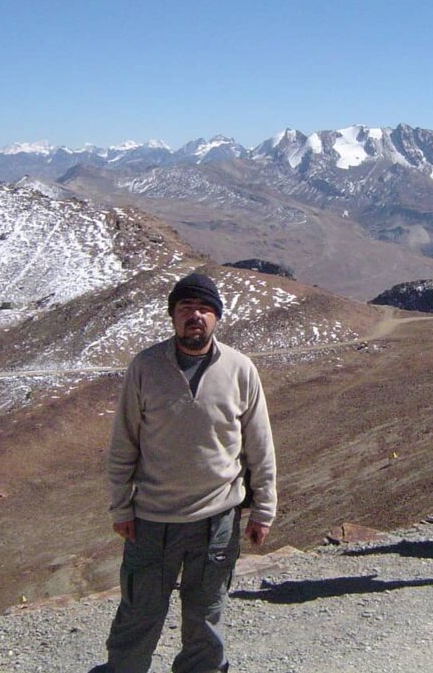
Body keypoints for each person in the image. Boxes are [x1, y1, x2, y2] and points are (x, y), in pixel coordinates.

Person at [90, 272, 277, 673]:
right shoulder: (145, 367)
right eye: (186, 308)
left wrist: (264, 508)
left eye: (205, 309)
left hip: (218, 518)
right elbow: (124, 442)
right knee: (139, 614)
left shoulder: (241, 369)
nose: (196, 315)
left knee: (206, 618)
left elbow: (259, 444)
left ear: (218, 317)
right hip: (152, 519)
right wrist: (120, 506)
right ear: (173, 316)